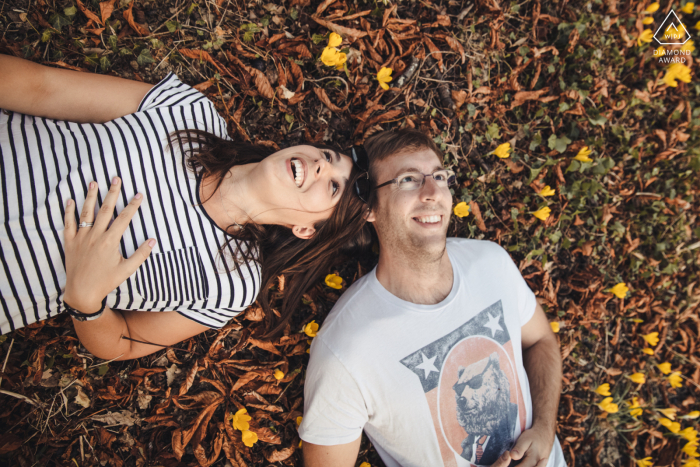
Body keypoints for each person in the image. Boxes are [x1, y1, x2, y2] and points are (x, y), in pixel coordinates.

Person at [0, 54, 368, 360]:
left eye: (334, 186)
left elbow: (124, 342)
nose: (322, 165)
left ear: (306, 230)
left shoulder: (230, 283)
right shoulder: (190, 114)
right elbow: (41, 87)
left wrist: (85, 300)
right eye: (328, 155)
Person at [299, 129, 566, 467]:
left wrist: (544, 427)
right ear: (369, 208)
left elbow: (540, 340)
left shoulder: (490, 263)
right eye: (408, 180)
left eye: (439, 176)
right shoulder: (345, 349)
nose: (433, 192)